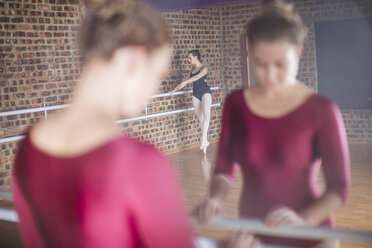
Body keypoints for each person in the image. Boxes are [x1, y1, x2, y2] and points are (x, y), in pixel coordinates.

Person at [11, 1, 195, 247]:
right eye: (158, 74)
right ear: (132, 60)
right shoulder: (139, 161)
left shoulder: (28, 145)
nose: (153, 89)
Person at [195, 0, 350, 247]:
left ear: (298, 53)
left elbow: (339, 187)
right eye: (261, 64)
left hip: (310, 234)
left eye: (280, 65)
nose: (270, 76)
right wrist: (215, 198)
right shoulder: (236, 103)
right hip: (252, 232)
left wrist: (304, 219)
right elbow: (224, 169)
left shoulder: (322, 109)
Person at [172, 50, 212, 154]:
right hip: (196, 94)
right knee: (201, 119)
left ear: (196, 57)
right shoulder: (192, 70)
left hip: (205, 92)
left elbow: (197, 77)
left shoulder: (204, 68)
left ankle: (203, 139)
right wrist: (175, 89)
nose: (188, 60)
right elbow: (184, 83)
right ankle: (205, 141)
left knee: (207, 116)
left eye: (190, 58)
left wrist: (186, 81)